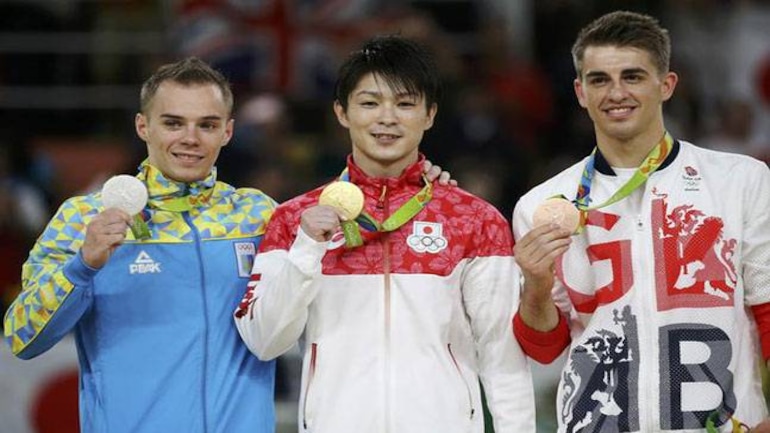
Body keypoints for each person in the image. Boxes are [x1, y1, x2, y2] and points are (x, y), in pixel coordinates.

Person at [1, 56, 455, 433]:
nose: (190, 139)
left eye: (207, 124)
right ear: (143, 126)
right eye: (173, 122)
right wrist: (83, 265)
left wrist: (415, 178)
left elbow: (349, 212)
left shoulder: (258, 215)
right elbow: (21, 336)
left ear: (228, 132)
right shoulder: (85, 218)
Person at [234, 35, 535, 433]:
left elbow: (503, 356)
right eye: (370, 102)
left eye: (405, 103)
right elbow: (264, 340)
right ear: (342, 112)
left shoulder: (475, 221)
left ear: (429, 115)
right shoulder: (295, 220)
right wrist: (307, 249)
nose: (387, 118)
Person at [511, 10, 770, 433]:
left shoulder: (741, 181)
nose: (616, 93)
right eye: (599, 80)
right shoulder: (540, 203)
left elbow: (767, 307)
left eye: (632, 76)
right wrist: (536, 285)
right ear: (579, 91)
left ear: (666, 85)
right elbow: (543, 349)